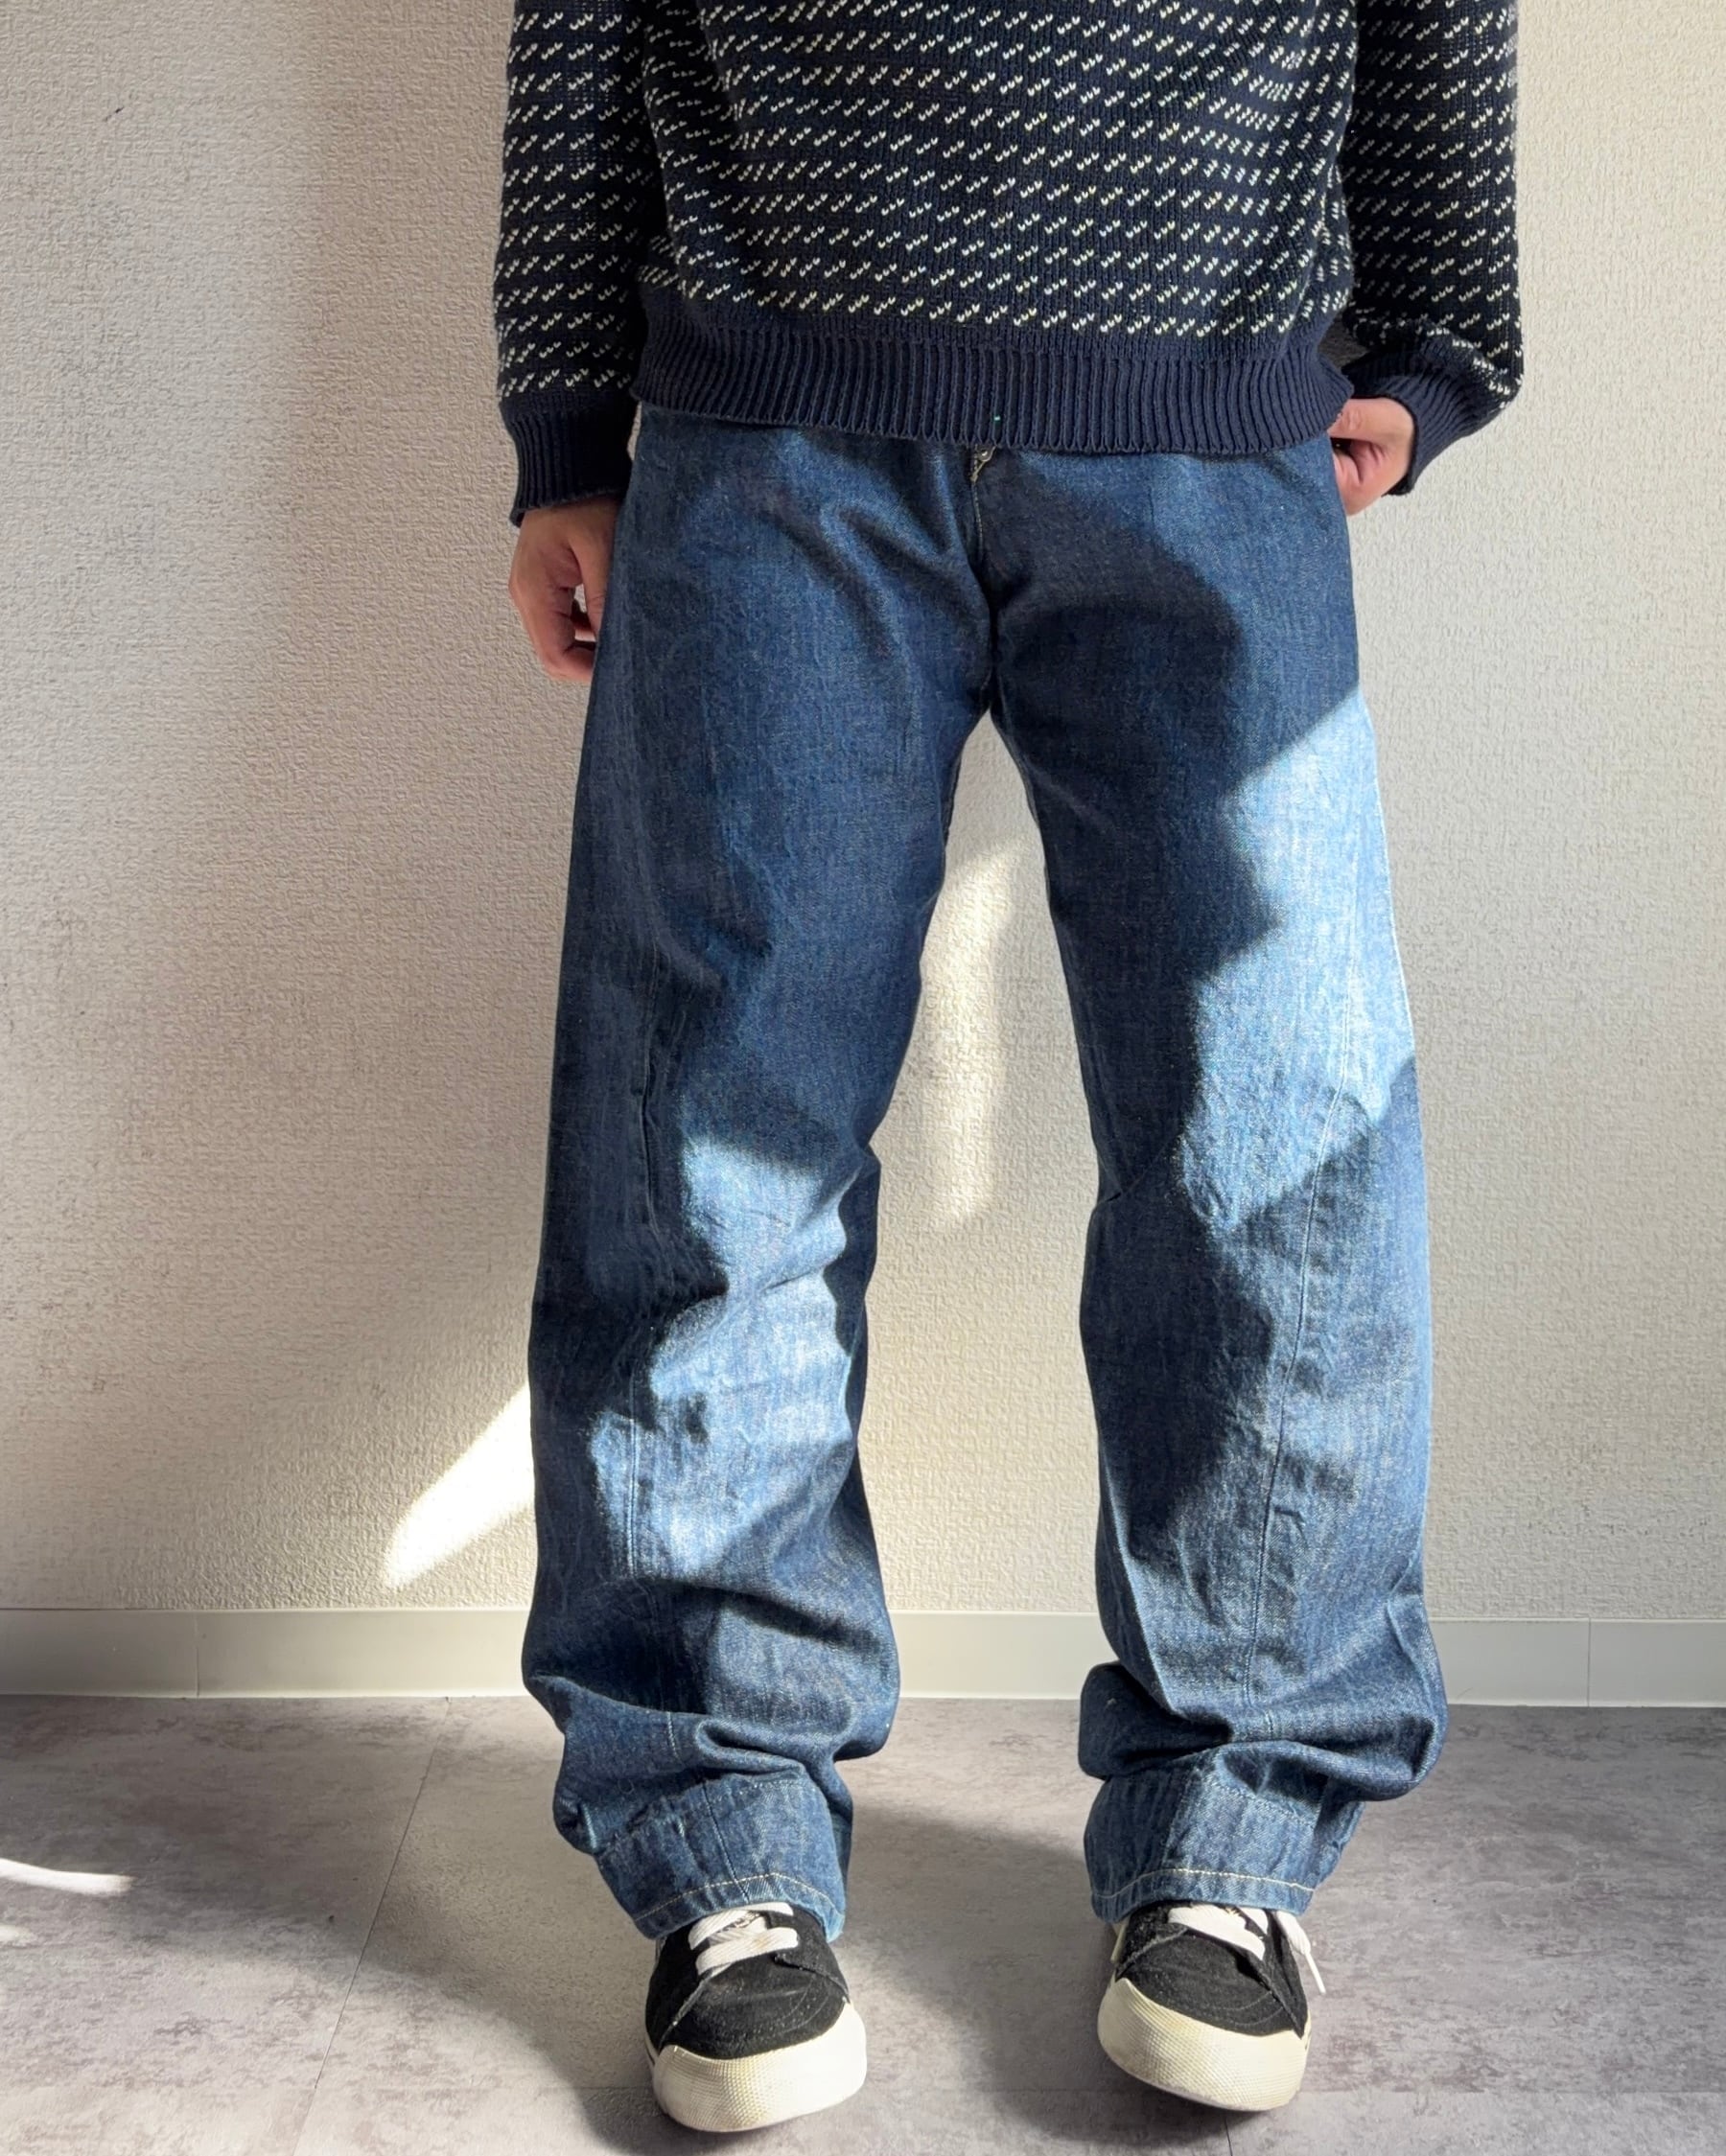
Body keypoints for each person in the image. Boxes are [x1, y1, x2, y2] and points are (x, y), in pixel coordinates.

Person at [493, 0, 1521, 2132]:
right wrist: (569, 425)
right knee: (711, 1139)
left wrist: (1437, 340)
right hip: (770, 425)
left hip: (1213, 418)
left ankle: (1238, 1828)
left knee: (1278, 1136)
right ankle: (721, 1840)